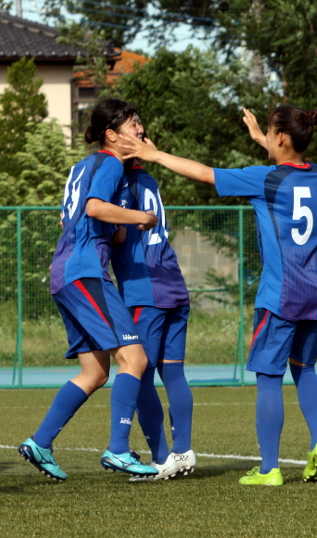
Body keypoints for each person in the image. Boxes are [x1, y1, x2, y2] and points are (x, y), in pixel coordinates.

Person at [120, 105, 317, 486]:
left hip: (282, 293)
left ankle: (269, 469)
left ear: (281, 138)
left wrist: (155, 155)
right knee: (307, 369)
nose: (265, 136)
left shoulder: (264, 179)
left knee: (269, 377)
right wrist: (259, 137)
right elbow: (287, 169)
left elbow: (204, 173)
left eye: (269, 132)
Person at [18, 98, 160, 481]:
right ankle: (118, 449)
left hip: (66, 272)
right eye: (134, 126)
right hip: (86, 274)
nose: (140, 132)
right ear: (111, 135)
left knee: (94, 372)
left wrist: (117, 227)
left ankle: (40, 442)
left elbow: (76, 218)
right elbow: (96, 208)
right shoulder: (111, 163)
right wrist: (140, 217)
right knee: (135, 359)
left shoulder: (81, 167)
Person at [111, 128, 195, 481]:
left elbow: (117, 233)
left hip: (146, 289)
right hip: (173, 282)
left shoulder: (118, 182)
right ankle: (185, 451)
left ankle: (162, 459)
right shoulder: (149, 179)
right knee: (173, 372)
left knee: (139, 371)